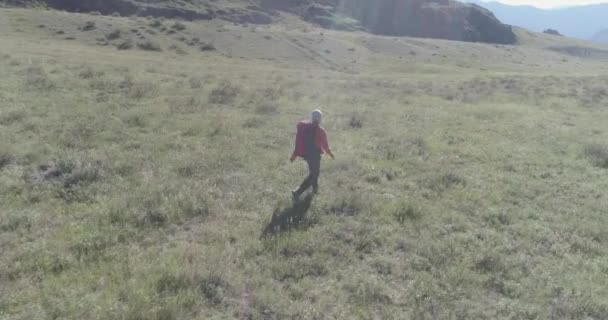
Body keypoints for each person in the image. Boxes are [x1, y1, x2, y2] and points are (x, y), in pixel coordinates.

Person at [290, 109, 335, 201]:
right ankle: (298, 191)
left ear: (311, 117)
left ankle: (315, 190)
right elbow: (325, 146)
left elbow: (298, 142)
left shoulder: (304, 128)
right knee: (314, 174)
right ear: (320, 119)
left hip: (306, 155)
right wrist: (331, 154)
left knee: (314, 172)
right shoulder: (320, 131)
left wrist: (294, 155)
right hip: (315, 156)